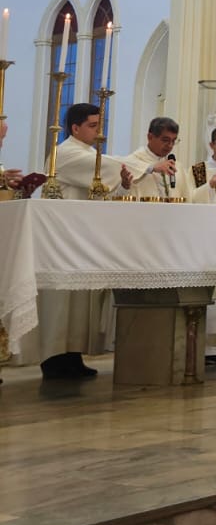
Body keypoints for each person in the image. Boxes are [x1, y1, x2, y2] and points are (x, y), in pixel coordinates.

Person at [32, 103, 138, 378]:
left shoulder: (90, 155)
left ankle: (73, 354)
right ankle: (52, 357)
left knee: (79, 300)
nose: (98, 132)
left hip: (82, 236)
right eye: (93, 126)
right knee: (60, 301)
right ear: (75, 128)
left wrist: (124, 185)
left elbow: (101, 193)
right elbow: (106, 167)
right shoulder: (64, 153)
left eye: (99, 125)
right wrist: (145, 166)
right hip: (60, 238)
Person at [124, 117, 180, 199]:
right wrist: (151, 168)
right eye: (165, 140)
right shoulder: (134, 162)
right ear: (150, 137)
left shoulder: (175, 166)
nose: (170, 145)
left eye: (173, 141)